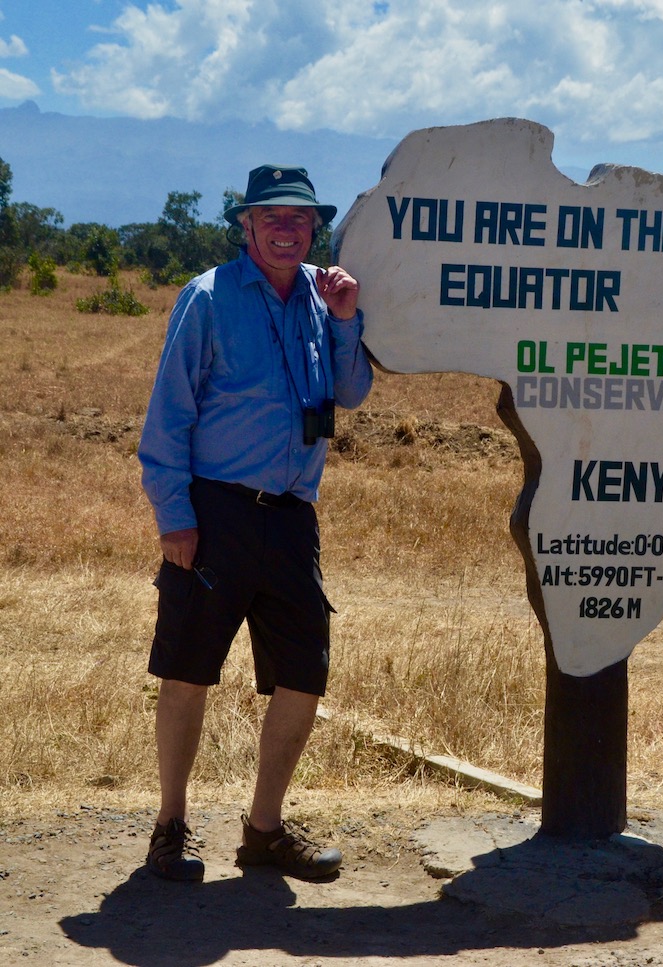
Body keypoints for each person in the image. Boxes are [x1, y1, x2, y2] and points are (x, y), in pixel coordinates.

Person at [137, 164, 374, 881]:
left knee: (304, 672)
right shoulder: (207, 297)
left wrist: (344, 320)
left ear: (313, 228)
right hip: (215, 512)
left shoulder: (321, 297)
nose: (284, 229)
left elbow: (352, 390)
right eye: (270, 217)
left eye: (298, 219)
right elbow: (170, 414)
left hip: (293, 518)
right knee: (187, 669)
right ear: (245, 225)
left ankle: (263, 831)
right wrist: (174, 515)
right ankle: (170, 826)